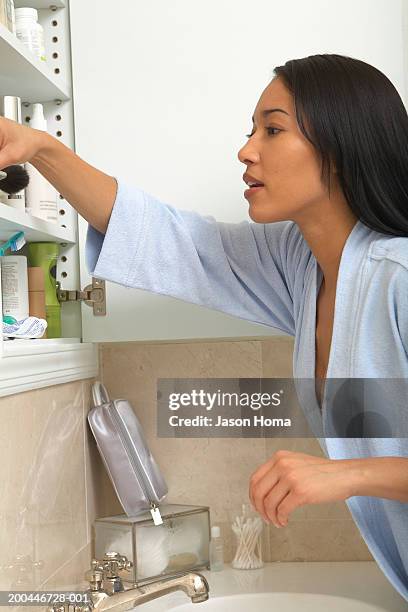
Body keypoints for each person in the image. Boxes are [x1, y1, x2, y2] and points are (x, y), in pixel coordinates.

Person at [0, 53, 407, 601]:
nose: (246, 150)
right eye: (252, 129)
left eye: (273, 129)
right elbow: (177, 241)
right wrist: (42, 149)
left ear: (340, 147)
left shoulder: (398, 277)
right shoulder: (304, 266)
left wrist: (349, 475)